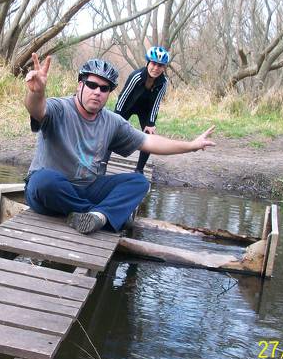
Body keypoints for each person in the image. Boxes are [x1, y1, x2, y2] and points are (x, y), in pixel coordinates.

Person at [24, 53, 215, 235]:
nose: (97, 92)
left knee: (139, 182)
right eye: (92, 85)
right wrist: (37, 93)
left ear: (109, 93)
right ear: (80, 85)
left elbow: (149, 141)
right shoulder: (60, 108)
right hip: (50, 191)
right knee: (43, 181)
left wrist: (191, 145)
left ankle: (95, 216)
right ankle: (102, 215)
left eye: (104, 88)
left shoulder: (112, 121)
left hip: (87, 189)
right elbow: (37, 109)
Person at [114, 46, 170, 174]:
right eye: (154, 64)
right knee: (112, 131)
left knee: (149, 136)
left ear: (164, 68)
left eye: (160, 65)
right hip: (128, 106)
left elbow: (156, 104)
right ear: (148, 63)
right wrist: (116, 116)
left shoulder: (163, 82)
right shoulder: (136, 76)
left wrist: (151, 123)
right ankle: (103, 161)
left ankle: (139, 170)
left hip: (146, 109)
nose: (156, 68)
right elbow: (123, 97)